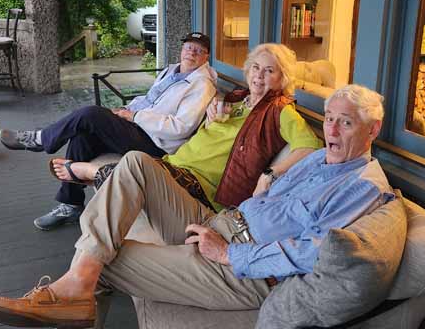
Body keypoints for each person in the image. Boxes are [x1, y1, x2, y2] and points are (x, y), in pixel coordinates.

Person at [0, 84, 393, 329]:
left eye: (346, 122)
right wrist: (255, 195)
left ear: (373, 129)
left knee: (101, 263)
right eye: (329, 118)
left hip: (239, 271)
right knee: (136, 164)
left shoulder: (362, 187)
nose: (332, 130)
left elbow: (310, 255)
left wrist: (230, 252)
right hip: (220, 223)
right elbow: (274, 198)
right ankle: (77, 282)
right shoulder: (322, 158)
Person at [49, 43, 321, 212]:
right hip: (177, 164)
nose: (259, 76)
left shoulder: (280, 110)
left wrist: (271, 173)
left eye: (269, 71)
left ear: (282, 77)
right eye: (255, 68)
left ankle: (93, 172)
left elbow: (311, 147)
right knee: (116, 152)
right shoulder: (238, 99)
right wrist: (213, 114)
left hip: (202, 185)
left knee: (135, 161)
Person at [0, 32, 217, 230]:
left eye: (198, 50)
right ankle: (71, 205)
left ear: (206, 57)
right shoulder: (172, 70)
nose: (191, 53)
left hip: (156, 144)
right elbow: (149, 100)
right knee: (82, 134)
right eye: (189, 47)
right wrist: (127, 109)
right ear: (181, 49)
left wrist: (134, 116)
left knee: (90, 114)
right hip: (136, 127)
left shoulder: (202, 85)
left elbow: (180, 128)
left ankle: (40, 139)